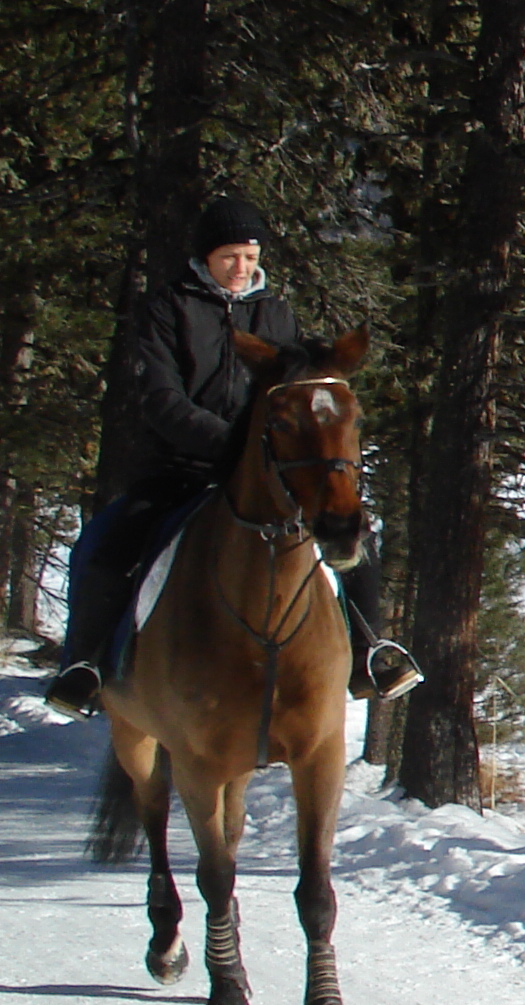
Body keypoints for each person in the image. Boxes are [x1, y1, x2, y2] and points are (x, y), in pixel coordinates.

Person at [46, 198, 420, 714]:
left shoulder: (276, 313)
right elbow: (161, 399)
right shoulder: (168, 308)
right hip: (181, 468)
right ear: (206, 257)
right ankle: (85, 664)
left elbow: (296, 390)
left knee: (354, 531)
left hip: (267, 473)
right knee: (107, 541)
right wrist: (229, 445)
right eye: (230, 257)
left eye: (249, 256)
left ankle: (370, 650)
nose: (241, 268)